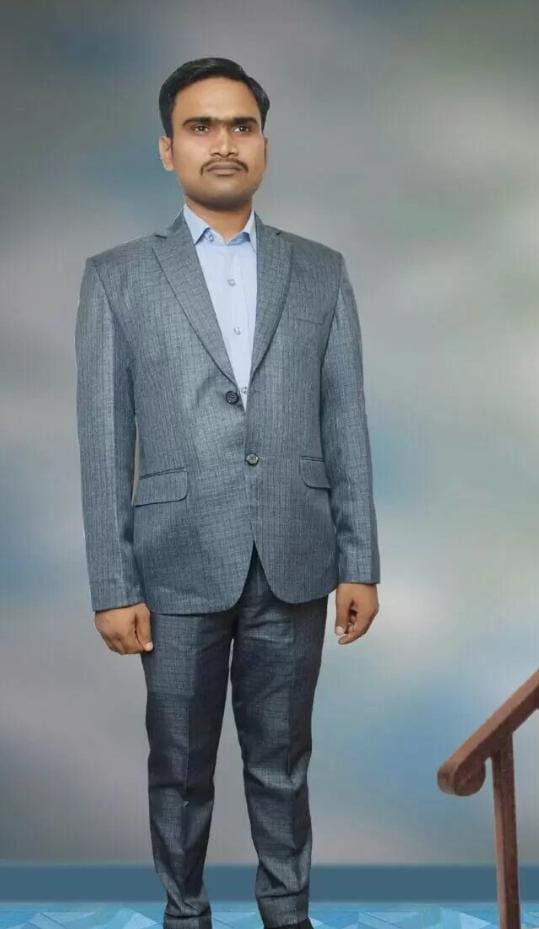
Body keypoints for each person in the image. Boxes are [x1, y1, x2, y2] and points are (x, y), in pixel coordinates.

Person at [75, 56, 380, 929]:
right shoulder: (118, 276)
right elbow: (103, 439)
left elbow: (344, 421)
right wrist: (113, 583)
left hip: (295, 551)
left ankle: (287, 913)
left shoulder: (319, 271)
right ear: (167, 148)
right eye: (200, 126)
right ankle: (186, 914)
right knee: (178, 764)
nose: (223, 142)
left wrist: (359, 560)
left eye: (241, 125)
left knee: (282, 759)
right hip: (171, 563)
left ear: (264, 145)